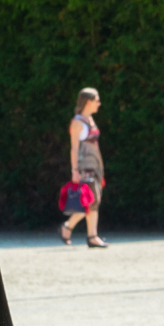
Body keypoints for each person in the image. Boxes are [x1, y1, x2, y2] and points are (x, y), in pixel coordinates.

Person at [60, 87, 107, 248]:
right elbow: (74, 148)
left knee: (92, 200)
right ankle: (91, 236)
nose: (99, 104)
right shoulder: (77, 122)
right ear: (88, 102)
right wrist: (74, 171)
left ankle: (68, 227)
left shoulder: (90, 120)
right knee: (91, 200)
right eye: (96, 100)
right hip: (84, 167)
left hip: (94, 167)